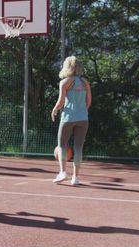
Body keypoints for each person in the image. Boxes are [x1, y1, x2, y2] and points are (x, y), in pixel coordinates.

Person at [51, 56, 92, 185]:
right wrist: (82, 111)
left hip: (67, 117)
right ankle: (75, 177)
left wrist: (55, 109)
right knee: (78, 147)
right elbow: (89, 101)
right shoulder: (85, 82)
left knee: (62, 145)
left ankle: (63, 172)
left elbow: (61, 101)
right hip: (83, 118)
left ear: (67, 66)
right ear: (78, 67)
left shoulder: (64, 82)